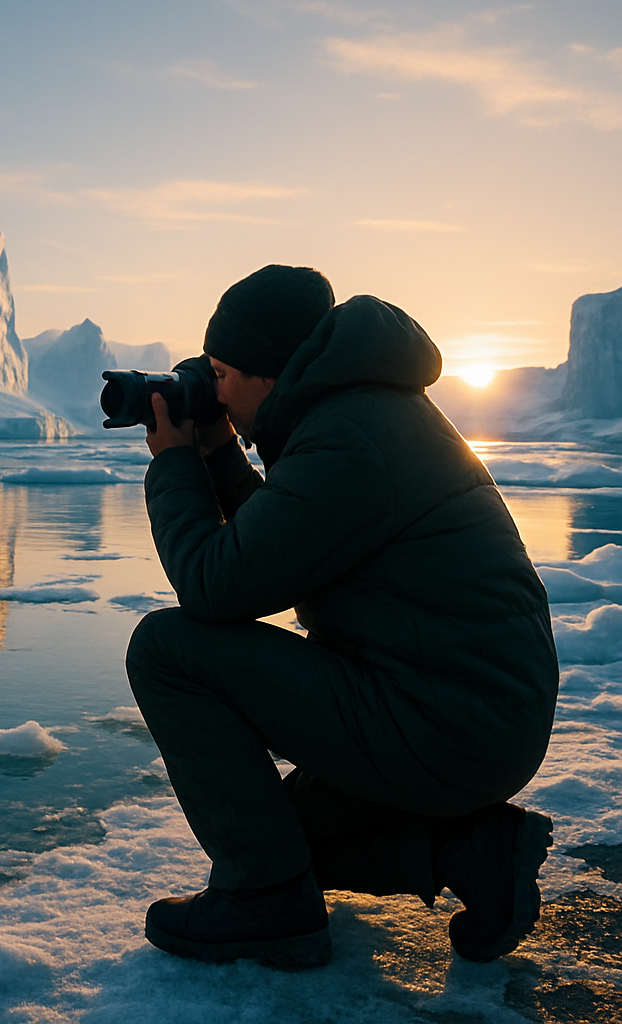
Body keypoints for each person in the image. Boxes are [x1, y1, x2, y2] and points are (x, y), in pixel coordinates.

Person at [126, 265, 559, 970]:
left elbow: (213, 584)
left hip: (448, 718)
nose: (217, 391)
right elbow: (288, 538)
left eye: (221, 373)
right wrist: (219, 456)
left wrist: (175, 464)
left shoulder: (349, 439)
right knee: (275, 833)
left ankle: (269, 909)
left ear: (270, 374)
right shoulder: (362, 415)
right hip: (465, 710)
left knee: (166, 649)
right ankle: (475, 854)